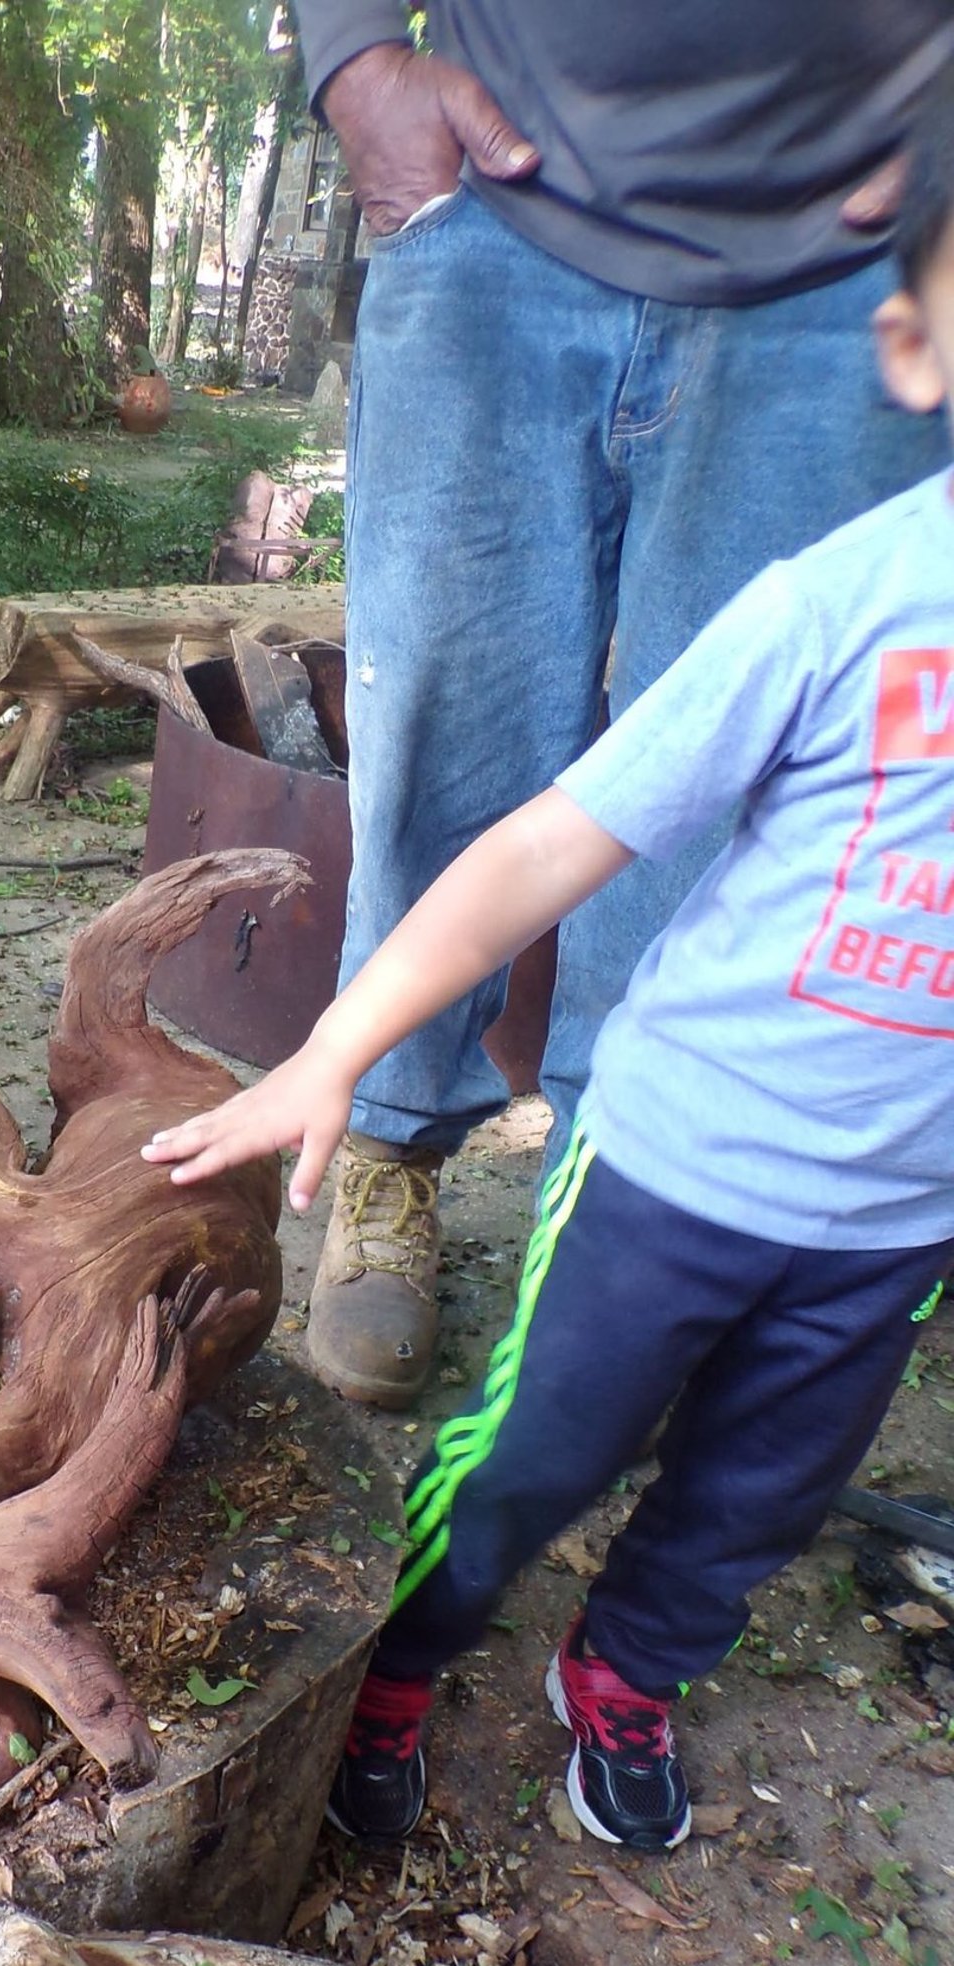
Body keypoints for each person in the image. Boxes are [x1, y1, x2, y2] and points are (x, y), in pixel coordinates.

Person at [143, 70, 954, 1855]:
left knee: (751, 1498)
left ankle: (631, 1674)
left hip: (897, 1224)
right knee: (529, 1453)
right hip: (678, 1165)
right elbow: (533, 841)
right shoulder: (838, 604)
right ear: (915, 338)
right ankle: (409, 1655)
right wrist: (332, 1052)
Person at [291, 1, 953, 1409]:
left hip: (844, 266)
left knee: (731, 811)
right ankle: (390, 1153)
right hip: (491, 214)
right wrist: (353, 59)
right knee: (434, 742)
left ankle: (619, 1232)